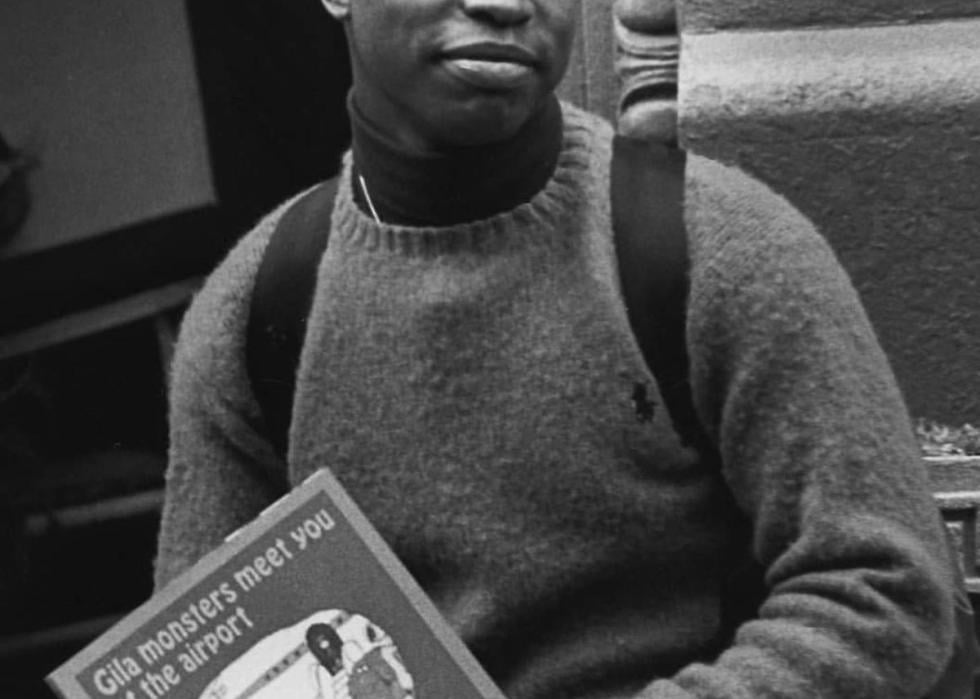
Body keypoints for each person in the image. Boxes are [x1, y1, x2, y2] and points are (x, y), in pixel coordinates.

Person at [155, 0, 957, 696]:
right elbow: (201, 655)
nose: (505, 4)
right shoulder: (253, 314)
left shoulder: (718, 247)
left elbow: (883, 588)